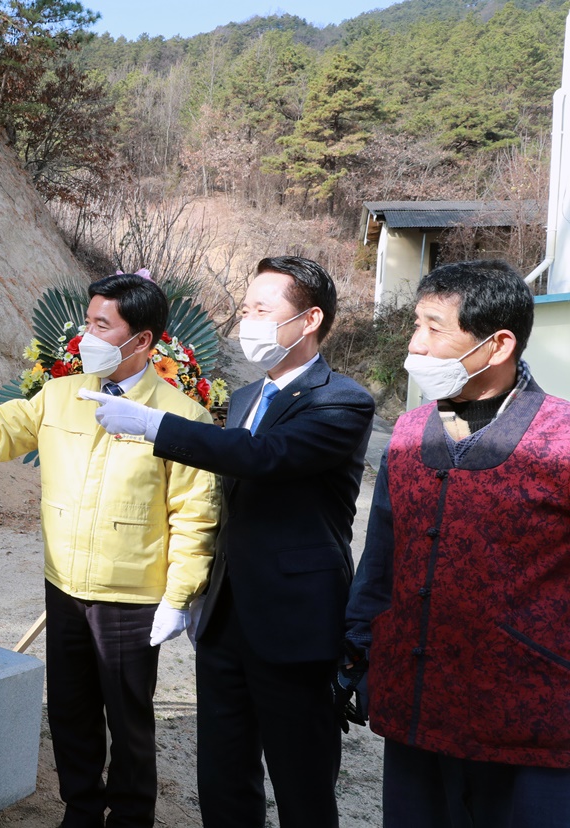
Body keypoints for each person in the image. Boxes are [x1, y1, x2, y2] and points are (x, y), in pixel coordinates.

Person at [0, 272, 220, 828]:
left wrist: (179, 596)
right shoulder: (59, 394)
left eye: (103, 325)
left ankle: (131, 818)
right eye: (87, 320)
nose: (87, 336)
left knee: (128, 720)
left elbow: (195, 514)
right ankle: (80, 811)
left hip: (131, 599)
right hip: (64, 586)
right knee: (72, 710)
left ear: (144, 341)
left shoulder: (182, 418)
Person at [81, 256, 375, 828]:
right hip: (224, 617)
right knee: (222, 775)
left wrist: (154, 425)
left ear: (310, 319)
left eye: (262, 310)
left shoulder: (341, 400)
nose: (247, 321)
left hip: (294, 623)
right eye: (245, 309)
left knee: (302, 783)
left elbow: (265, 458)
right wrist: (191, 590)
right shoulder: (242, 399)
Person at [344, 260, 570, 827]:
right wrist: (356, 652)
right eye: (415, 325)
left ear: (496, 346)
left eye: (433, 328)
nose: (415, 345)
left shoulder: (562, 440)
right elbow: (381, 557)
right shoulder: (409, 431)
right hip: (417, 708)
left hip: (531, 724)